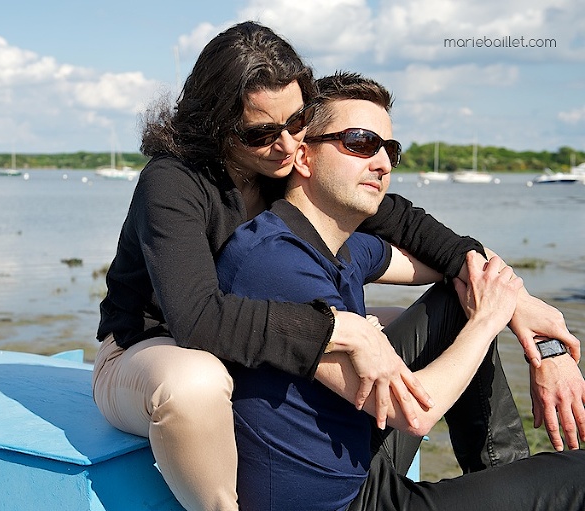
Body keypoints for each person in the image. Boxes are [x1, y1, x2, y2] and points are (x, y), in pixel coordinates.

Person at [92, 21, 583, 511]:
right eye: (262, 132)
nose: (285, 144)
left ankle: (501, 476)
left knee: (452, 312)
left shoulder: (285, 175)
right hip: (152, 344)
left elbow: (423, 235)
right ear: (217, 126)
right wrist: (338, 329)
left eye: (296, 121)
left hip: (256, 340)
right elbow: (197, 319)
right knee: (194, 383)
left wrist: (522, 311)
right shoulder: (174, 183)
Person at [216, 70, 585, 510]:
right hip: (344, 503)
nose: (383, 163)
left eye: (390, 149)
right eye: (360, 143)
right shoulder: (274, 262)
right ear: (303, 157)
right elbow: (413, 413)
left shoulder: (340, 243)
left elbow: (463, 263)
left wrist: (542, 341)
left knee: (454, 300)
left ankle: (500, 474)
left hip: (362, 460)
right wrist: (489, 320)